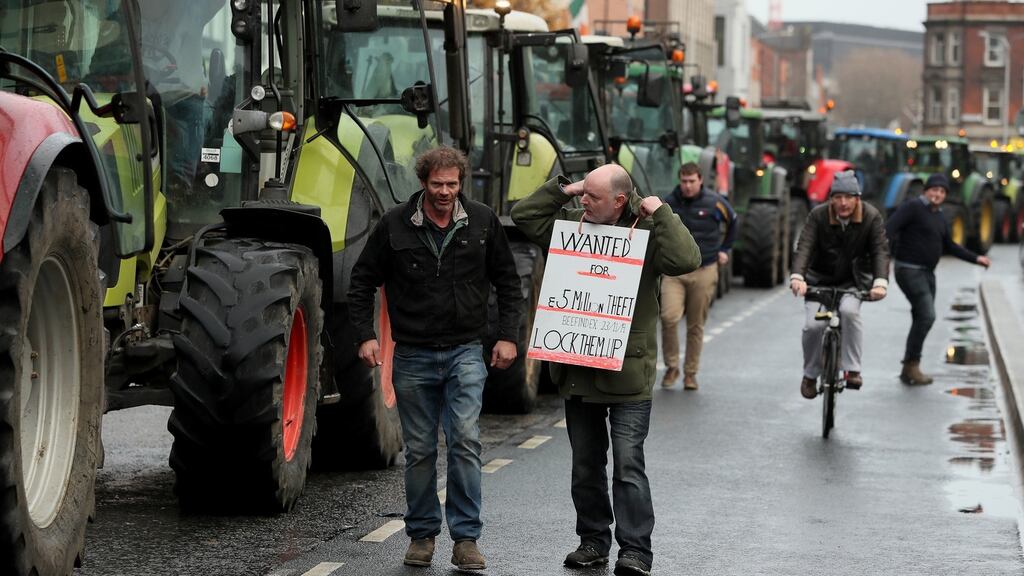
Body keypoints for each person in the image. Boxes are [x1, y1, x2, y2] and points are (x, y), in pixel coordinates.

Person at [511, 165, 701, 576]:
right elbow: (525, 216)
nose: (584, 200)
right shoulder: (570, 226)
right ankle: (593, 540)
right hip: (578, 370)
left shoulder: (647, 234)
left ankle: (635, 551)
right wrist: (568, 188)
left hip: (627, 374)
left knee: (629, 464)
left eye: (593, 196)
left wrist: (662, 212)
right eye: (584, 194)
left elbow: (687, 259)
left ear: (619, 201)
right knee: (585, 463)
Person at [348, 146, 522, 571]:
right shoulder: (393, 225)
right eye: (437, 185)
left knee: (465, 440)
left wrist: (508, 337)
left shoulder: (482, 222)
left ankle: (466, 540)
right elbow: (361, 282)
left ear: (461, 183)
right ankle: (422, 535)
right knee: (421, 450)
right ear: (423, 183)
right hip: (413, 355)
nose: (445, 192)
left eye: (452, 184)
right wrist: (365, 336)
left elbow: (508, 282)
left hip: (466, 350)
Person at [790, 170, 890, 399]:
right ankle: (810, 375)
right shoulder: (818, 215)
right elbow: (804, 246)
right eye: (837, 197)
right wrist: (798, 277)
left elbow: (879, 251)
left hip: (853, 280)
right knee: (813, 326)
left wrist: (880, 282)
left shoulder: (871, 216)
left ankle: (852, 369)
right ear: (831, 199)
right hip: (818, 280)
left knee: (849, 312)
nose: (843, 203)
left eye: (848, 197)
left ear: (857, 198)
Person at [885, 173, 992, 384]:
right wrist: (883, 260)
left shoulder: (939, 216)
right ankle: (912, 364)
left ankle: (909, 367)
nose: (938, 194)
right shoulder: (913, 207)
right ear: (926, 190)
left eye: (942, 192)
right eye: (934, 189)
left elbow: (950, 245)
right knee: (927, 315)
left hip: (927, 273)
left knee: (920, 317)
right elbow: (889, 229)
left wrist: (976, 258)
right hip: (909, 269)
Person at [659, 162, 737, 390]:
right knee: (669, 317)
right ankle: (672, 366)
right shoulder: (669, 202)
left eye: (692, 181)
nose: (688, 186)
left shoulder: (715, 202)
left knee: (695, 325)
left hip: (705, 269)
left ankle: (690, 373)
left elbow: (733, 221)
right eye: (684, 181)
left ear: (700, 180)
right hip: (674, 272)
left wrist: (725, 249)